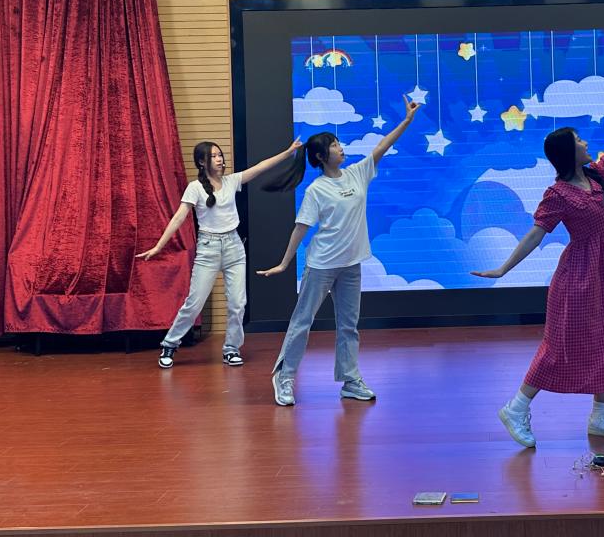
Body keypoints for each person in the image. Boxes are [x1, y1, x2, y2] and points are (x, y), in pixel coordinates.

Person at [472, 80, 604, 448]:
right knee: (560, 346)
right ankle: (516, 407)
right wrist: (504, 268)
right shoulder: (558, 194)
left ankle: (600, 416)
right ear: (567, 152)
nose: (586, 143)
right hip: (577, 278)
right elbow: (535, 235)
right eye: (579, 140)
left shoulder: (599, 175)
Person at [258, 96, 420, 406]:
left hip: (351, 265)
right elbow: (301, 229)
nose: (340, 147)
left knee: (348, 325)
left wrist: (407, 121)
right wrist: (284, 263)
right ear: (321, 157)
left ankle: (350, 380)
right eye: (334, 145)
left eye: (339, 143)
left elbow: (382, 146)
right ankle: (284, 375)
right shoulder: (316, 190)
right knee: (302, 322)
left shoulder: (358, 173)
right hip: (321, 266)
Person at [138, 138, 302, 368]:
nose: (219, 159)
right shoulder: (195, 188)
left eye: (220, 155)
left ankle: (231, 349)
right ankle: (170, 344)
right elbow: (178, 218)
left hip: (234, 247)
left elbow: (260, 167)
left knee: (237, 304)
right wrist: (158, 246)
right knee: (194, 303)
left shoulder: (231, 181)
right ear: (202, 162)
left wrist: (287, 152)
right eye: (213, 156)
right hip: (209, 248)